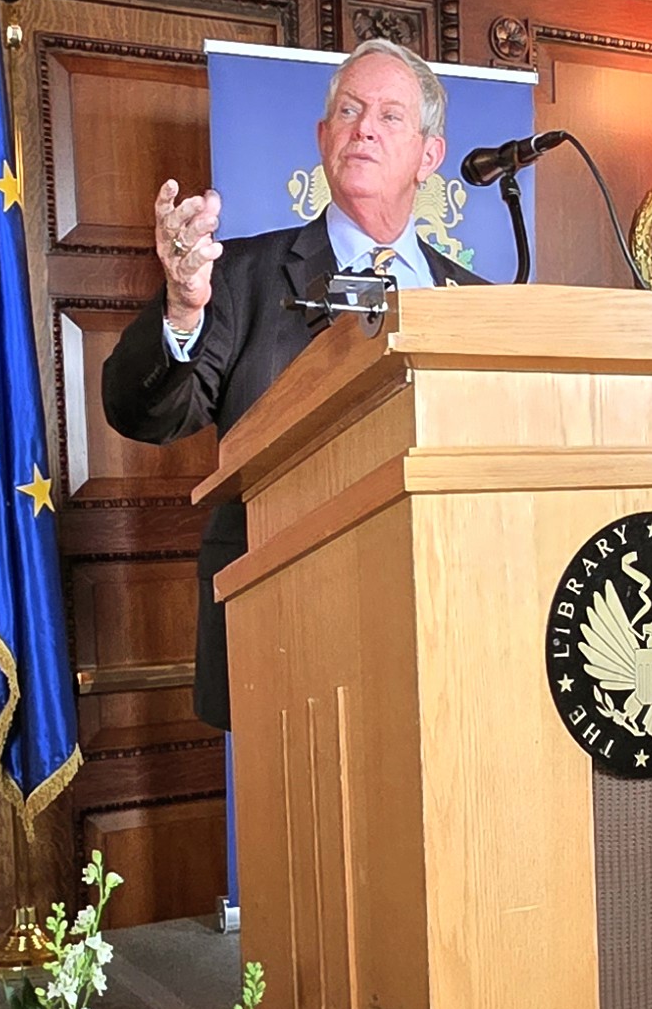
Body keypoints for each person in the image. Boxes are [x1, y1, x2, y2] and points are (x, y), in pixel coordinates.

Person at [102, 40, 491, 729]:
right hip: (281, 618)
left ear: (431, 155)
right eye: (349, 110)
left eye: (390, 116)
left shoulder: (475, 301)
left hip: (446, 613)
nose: (364, 127)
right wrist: (183, 309)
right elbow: (145, 414)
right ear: (323, 137)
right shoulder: (240, 277)